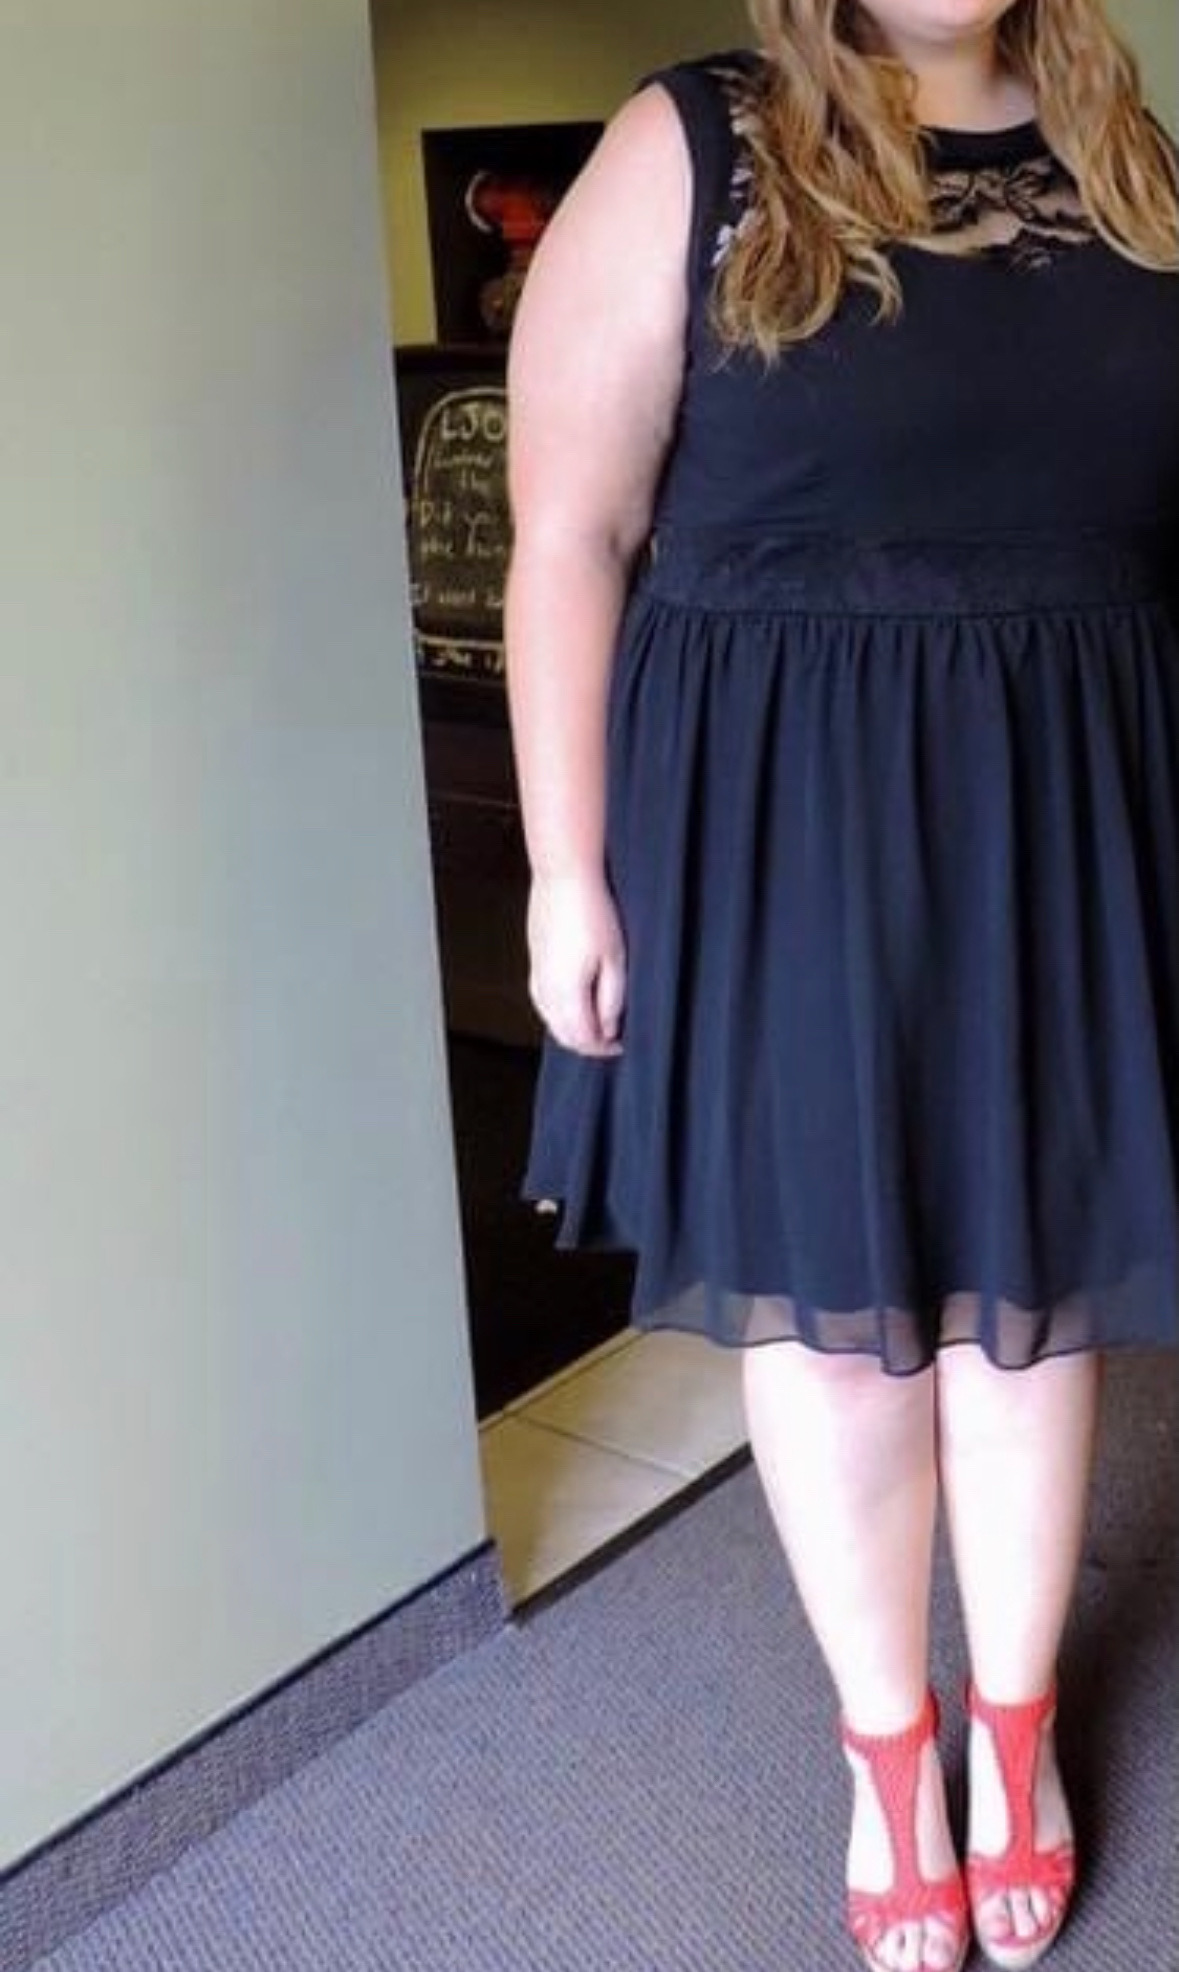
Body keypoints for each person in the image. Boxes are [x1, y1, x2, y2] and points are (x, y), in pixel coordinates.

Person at [502, 2, 1179, 1966]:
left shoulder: (1127, 155)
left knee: (1031, 1300)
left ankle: (1012, 1737)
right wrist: (565, 866)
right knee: (837, 1320)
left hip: (1072, 806)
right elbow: (568, 533)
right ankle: (890, 1754)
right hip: (786, 820)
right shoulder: (693, 146)